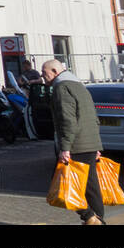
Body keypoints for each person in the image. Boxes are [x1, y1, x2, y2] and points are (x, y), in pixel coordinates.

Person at [42, 58, 105, 225]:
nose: (43, 77)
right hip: (89, 142)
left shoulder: (61, 88)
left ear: (55, 72)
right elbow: (92, 115)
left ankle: (89, 217)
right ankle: (98, 219)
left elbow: (67, 120)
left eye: (45, 73)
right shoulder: (78, 85)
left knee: (62, 182)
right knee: (91, 186)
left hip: (76, 144)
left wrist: (65, 147)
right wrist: (96, 144)